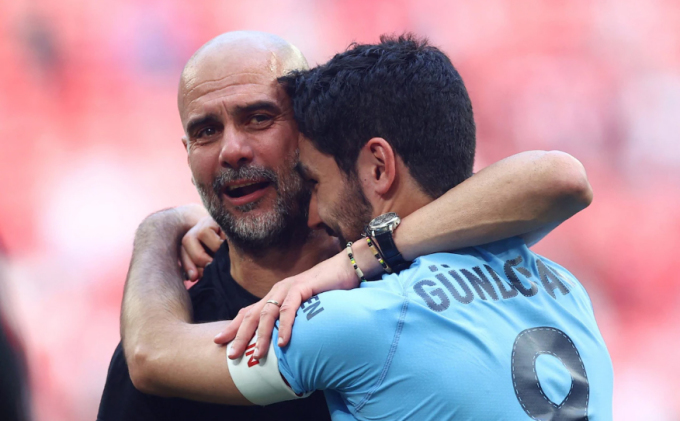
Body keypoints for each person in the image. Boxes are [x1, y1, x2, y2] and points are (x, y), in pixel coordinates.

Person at [110, 31, 598, 420]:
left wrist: (159, 227)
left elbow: (154, 355)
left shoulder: (355, 318)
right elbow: (560, 177)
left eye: (258, 117)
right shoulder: (560, 284)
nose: (232, 149)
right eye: (205, 132)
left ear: (307, 132)